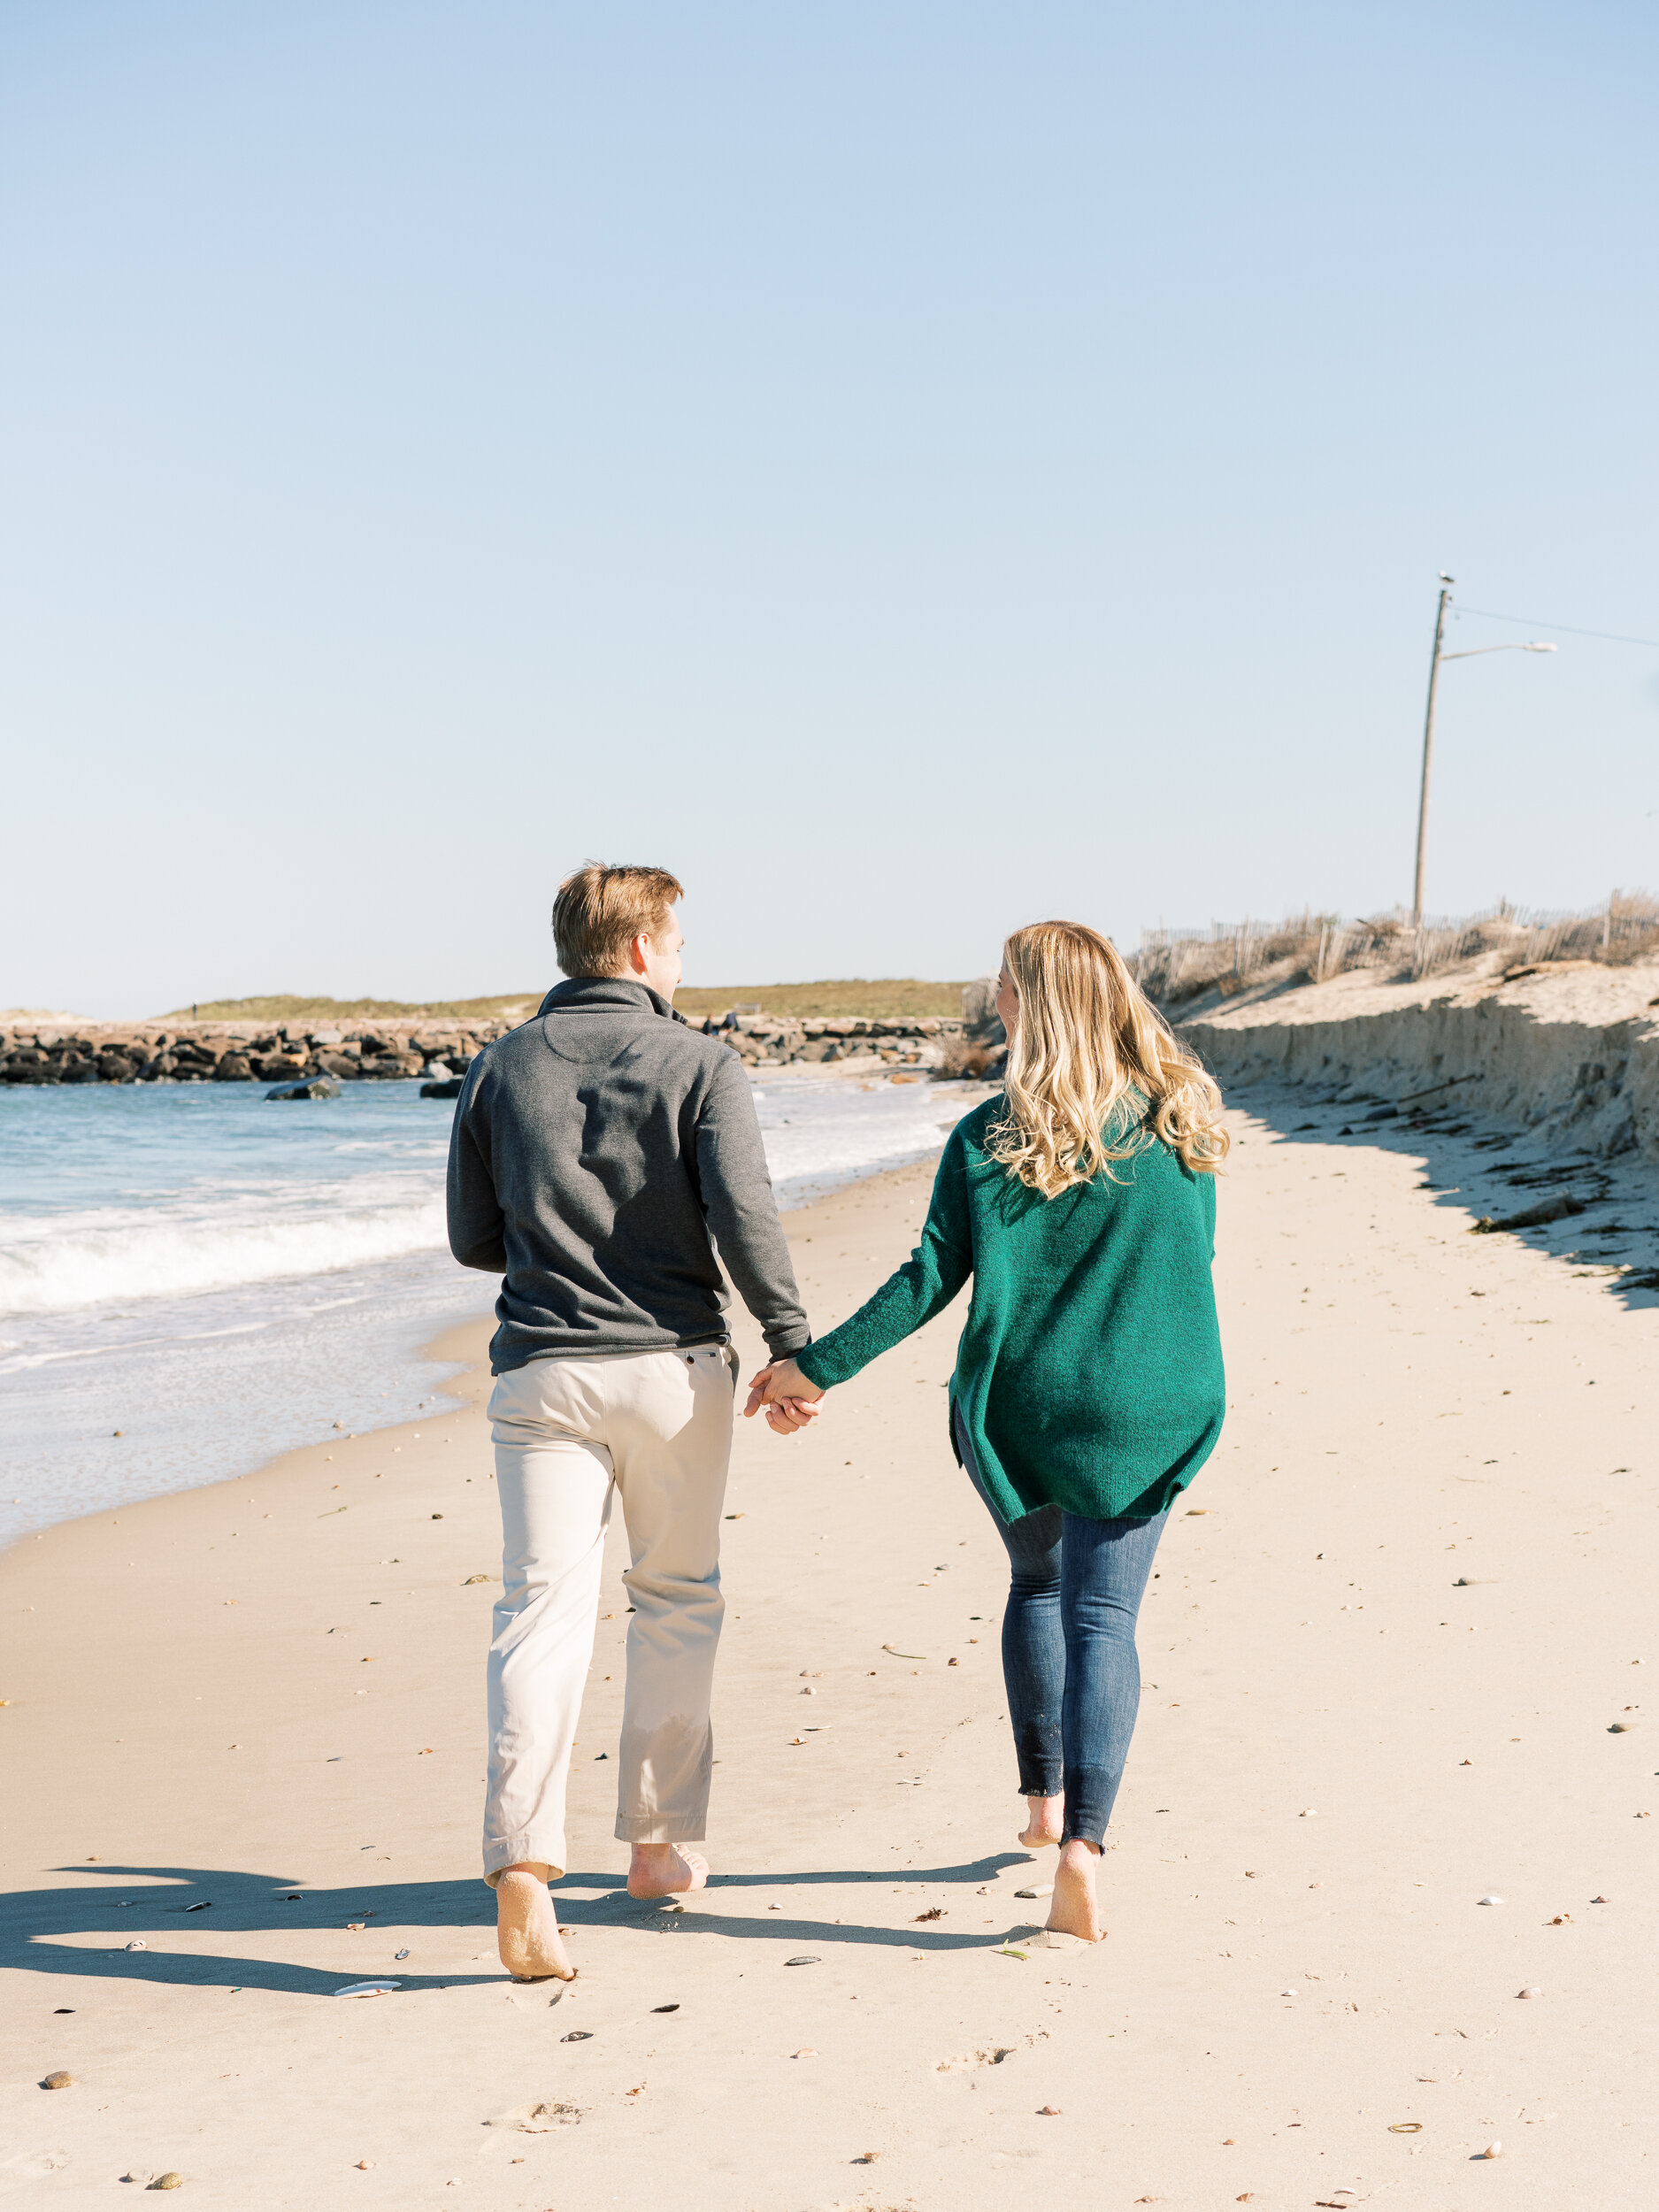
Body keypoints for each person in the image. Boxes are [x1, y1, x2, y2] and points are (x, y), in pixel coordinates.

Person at [746, 919, 1228, 1943]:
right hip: (1156, 1396)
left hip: (1025, 1404)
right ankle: (1083, 1850)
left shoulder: (990, 1135)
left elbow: (926, 1278)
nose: (994, 996)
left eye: (1005, 984)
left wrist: (810, 1368)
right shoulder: (1185, 1119)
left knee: (1039, 1585)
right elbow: (1195, 1263)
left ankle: (1041, 1802)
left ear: (1036, 1003)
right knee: (1106, 1619)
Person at [447, 862, 811, 1980]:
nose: (684, 959)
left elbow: (473, 1237)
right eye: (681, 941)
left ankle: (523, 1863)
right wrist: (793, 1340)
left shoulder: (497, 1066)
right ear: (645, 948)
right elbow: (743, 1212)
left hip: (541, 1372)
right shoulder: (701, 1061)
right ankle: (656, 1847)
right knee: (676, 1599)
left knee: (538, 1614)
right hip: (672, 1369)